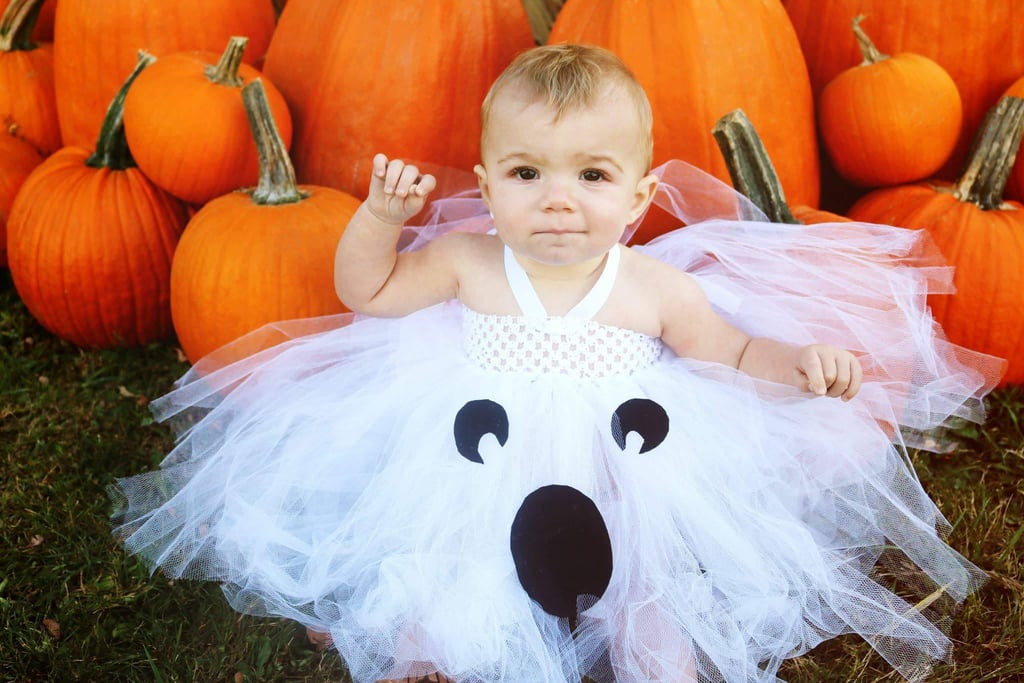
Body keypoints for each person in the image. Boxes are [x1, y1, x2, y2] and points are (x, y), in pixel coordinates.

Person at [112, 45, 1003, 683]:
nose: (558, 201)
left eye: (591, 176)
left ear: (639, 196)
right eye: (528, 174)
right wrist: (379, 218)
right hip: (475, 483)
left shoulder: (650, 285)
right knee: (450, 593)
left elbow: (727, 351)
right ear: (488, 182)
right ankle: (425, 659)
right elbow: (369, 292)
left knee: (649, 609)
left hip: (621, 486)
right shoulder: (468, 262)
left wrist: (795, 361)